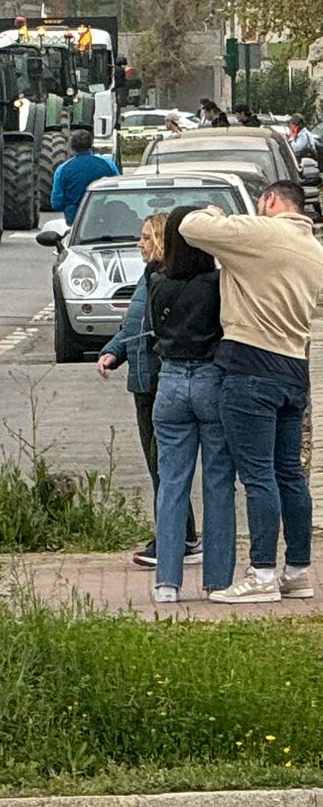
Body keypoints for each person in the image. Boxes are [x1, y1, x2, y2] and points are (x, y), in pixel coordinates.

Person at [178, 181, 323, 602]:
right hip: (294, 369)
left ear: (272, 201)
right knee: (289, 475)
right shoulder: (314, 250)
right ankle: (297, 570)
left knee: (257, 475)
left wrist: (216, 213)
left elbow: (190, 227)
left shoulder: (260, 233)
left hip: (249, 363)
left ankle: (261, 573)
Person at [97, 215, 199, 570]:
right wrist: (114, 351)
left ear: (158, 239)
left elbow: (153, 328)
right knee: (158, 466)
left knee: (163, 465)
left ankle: (176, 538)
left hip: (159, 380)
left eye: (143, 237)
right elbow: (133, 326)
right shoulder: (147, 278)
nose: (138, 244)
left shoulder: (164, 279)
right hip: (143, 381)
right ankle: (183, 534)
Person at [145, 207, 235, 602]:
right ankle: (217, 580)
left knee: (172, 484)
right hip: (210, 378)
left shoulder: (156, 283)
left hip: (170, 382)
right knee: (218, 483)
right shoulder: (217, 283)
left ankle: (167, 581)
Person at [49, 127, 119, 223]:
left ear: (71, 148)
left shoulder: (62, 169)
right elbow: (118, 191)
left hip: (76, 221)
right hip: (104, 218)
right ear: (91, 146)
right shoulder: (108, 164)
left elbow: (57, 203)